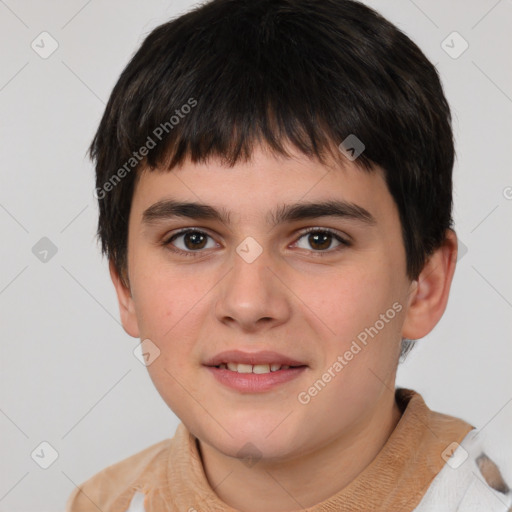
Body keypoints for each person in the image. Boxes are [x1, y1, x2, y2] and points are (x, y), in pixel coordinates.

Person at [66, 0, 511, 510]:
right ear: (124, 284)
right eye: (193, 240)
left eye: (319, 239)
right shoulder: (101, 502)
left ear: (424, 284)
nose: (250, 304)